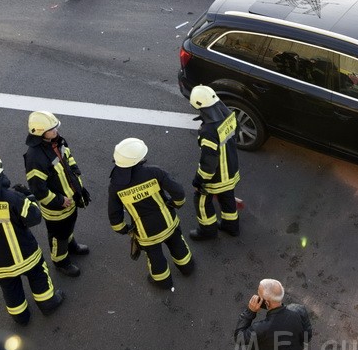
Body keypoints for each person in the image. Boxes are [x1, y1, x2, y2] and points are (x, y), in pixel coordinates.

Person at [0, 152, 65, 325]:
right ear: (1, 173)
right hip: (25, 256)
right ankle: (48, 303)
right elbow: (34, 218)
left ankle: (21, 317)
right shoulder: (13, 198)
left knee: (10, 289)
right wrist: (29, 197)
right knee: (38, 276)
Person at [108, 138, 194, 291]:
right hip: (169, 223)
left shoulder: (115, 186)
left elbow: (114, 216)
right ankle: (187, 267)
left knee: (155, 258)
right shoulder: (154, 172)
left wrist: (125, 229)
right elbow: (178, 192)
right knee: (178, 245)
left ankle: (163, 282)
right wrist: (176, 205)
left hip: (146, 234)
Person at [24, 111, 91, 278]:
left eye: (55, 127)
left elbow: (69, 159)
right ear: (39, 132)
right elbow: (38, 190)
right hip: (57, 207)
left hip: (71, 199)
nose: (55, 131)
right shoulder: (35, 157)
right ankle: (61, 261)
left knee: (69, 226)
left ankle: (71, 245)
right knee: (58, 235)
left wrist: (77, 180)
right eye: (51, 129)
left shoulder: (58, 141)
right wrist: (59, 201)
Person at [188, 85, 241, 241]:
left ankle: (207, 231)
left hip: (217, 176)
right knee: (227, 198)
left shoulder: (208, 131)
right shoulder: (228, 115)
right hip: (231, 169)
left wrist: (199, 181)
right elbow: (235, 132)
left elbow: (209, 163)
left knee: (201, 200)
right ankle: (231, 226)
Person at [234, 278, 312, 350]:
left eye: (259, 295)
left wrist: (250, 311)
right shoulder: (299, 311)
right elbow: (307, 336)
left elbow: (239, 337)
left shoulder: (261, 328)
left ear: (266, 303)